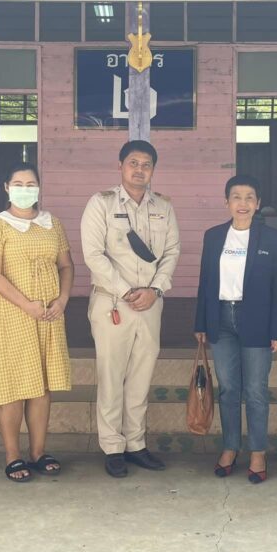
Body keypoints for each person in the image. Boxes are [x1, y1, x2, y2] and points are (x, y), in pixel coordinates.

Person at [81, 140, 180, 478]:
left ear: (153, 170)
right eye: (133, 163)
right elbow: (93, 255)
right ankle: (112, 446)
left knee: (141, 376)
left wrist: (155, 290)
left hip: (150, 304)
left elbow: (171, 252)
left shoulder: (163, 207)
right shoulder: (101, 203)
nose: (139, 170)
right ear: (120, 166)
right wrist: (126, 291)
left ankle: (136, 443)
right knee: (111, 376)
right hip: (113, 303)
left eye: (146, 164)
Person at [0, 163, 74, 483]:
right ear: (6, 188)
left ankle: (38, 451)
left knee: (41, 384)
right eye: (18, 184)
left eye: (30, 183)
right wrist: (27, 305)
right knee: (12, 384)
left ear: (39, 187)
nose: (24, 189)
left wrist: (62, 300)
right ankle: (12, 455)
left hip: (48, 312)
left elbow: (66, 265)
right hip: (10, 312)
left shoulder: (52, 223)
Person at [194, 175, 277, 484]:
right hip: (221, 319)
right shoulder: (213, 236)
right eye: (236, 196)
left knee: (256, 390)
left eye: (250, 197)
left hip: (257, 320)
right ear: (227, 202)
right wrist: (201, 323)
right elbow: (205, 282)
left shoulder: (272, 239)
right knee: (229, 388)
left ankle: (258, 451)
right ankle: (230, 447)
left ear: (258, 203)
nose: (243, 203)